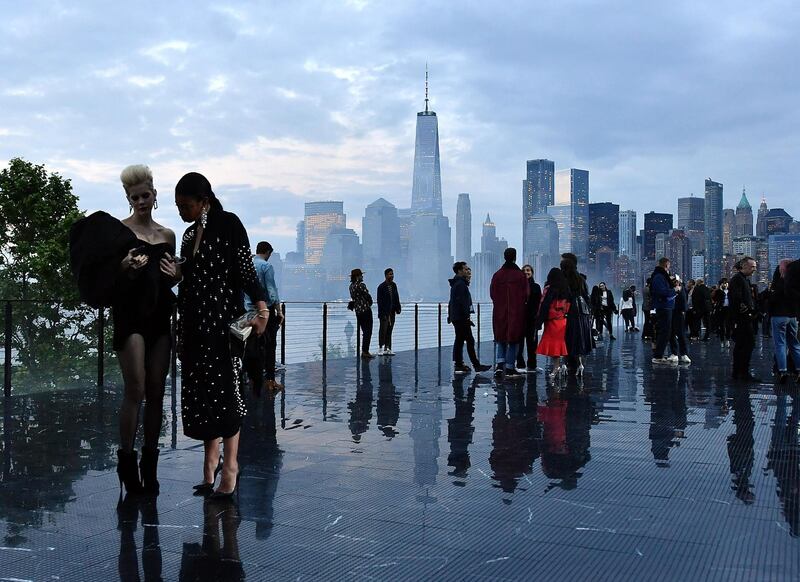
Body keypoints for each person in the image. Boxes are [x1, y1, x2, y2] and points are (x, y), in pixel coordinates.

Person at [167, 172, 268, 499]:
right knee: (202, 396)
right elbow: (188, 281)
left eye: (186, 205)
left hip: (225, 326)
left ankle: (231, 467)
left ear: (203, 201)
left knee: (225, 393)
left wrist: (262, 309)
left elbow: (245, 270)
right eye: (177, 206)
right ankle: (209, 466)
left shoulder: (228, 225)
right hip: (195, 326)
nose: (181, 211)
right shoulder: (187, 235)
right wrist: (177, 273)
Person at [110, 164, 177, 496]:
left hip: (160, 315)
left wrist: (178, 277)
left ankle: (150, 464)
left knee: (156, 391)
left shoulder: (167, 235)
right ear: (127, 198)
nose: (140, 200)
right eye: (134, 196)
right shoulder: (119, 233)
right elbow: (107, 281)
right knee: (135, 388)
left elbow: (171, 276)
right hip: (129, 316)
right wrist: (123, 269)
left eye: (145, 194)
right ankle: (126, 461)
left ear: (154, 194)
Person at [244, 241, 284, 394]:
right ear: (267, 252)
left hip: (248, 313)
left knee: (252, 345)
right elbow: (272, 292)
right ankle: (270, 381)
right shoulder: (266, 266)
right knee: (270, 346)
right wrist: (279, 311)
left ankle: (251, 378)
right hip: (265, 312)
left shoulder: (248, 265)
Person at [490, 248, 529, 378]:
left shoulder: (497, 275)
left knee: (500, 338)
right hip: (516, 312)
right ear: (515, 257)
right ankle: (510, 367)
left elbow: (492, 293)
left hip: (500, 311)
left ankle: (500, 365)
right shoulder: (520, 276)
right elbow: (526, 294)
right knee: (514, 339)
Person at [448, 262, 492, 374]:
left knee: (460, 340)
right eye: (466, 269)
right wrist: (466, 318)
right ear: (459, 271)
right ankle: (474, 365)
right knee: (468, 340)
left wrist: (451, 315)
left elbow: (452, 302)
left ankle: (459, 364)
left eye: (469, 269)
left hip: (457, 317)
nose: (469, 271)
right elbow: (461, 303)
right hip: (461, 318)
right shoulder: (460, 285)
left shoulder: (457, 284)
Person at [560, 253, 593, 376]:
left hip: (567, 311)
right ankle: (578, 363)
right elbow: (586, 297)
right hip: (581, 313)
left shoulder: (563, 279)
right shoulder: (580, 279)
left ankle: (566, 363)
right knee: (578, 337)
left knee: (566, 336)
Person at [536, 268, 571, 380]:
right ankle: (562, 365)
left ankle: (556, 368)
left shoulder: (548, 289)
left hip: (551, 320)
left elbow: (543, 304)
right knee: (560, 343)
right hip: (562, 320)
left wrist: (539, 320)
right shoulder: (565, 289)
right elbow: (569, 305)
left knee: (553, 345)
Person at [769, 259, 800, 384]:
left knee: (780, 344)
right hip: (792, 316)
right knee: (795, 344)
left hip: (778, 315)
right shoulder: (794, 282)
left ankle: (782, 371)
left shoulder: (779, 282)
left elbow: (773, 298)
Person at [729, 257, 758, 381]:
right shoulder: (738, 279)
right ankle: (742, 373)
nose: (754, 270)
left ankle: (739, 372)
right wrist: (746, 311)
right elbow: (737, 298)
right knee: (746, 344)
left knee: (743, 345)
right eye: (752, 267)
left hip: (743, 318)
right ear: (744, 266)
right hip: (742, 319)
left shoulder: (743, 279)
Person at [515, 264, 543, 372]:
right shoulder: (518, 286)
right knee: (520, 343)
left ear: (532, 272)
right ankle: (520, 365)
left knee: (532, 343)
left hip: (532, 319)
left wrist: (537, 317)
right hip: (520, 319)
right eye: (524, 270)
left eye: (528, 270)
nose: (526, 272)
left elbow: (539, 303)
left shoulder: (536, 286)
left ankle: (532, 365)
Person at [650, 257, 677, 364]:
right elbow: (662, 292)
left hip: (666, 306)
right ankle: (657, 356)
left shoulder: (660, 276)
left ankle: (659, 354)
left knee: (666, 331)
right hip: (664, 307)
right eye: (669, 265)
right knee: (664, 332)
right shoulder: (659, 277)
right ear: (666, 265)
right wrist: (674, 290)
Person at [349, 269, 374, 359]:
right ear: (357, 276)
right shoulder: (361, 285)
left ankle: (364, 351)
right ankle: (365, 351)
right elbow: (367, 295)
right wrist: (370, 301)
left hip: (358, 312)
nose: (362, 277)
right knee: (368, 331)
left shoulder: (351, 286)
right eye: (360, 275)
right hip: (365, 310)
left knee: (364, 331)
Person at [376, 268, 401, 356]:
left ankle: (388, 348)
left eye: (392, 274)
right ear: (386, 275)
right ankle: (380, 348)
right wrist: (382, 314)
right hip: (384, 313)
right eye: (390, 274)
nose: (392, 276)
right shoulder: (381, 287)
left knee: (390, 330)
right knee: (383, 330)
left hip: (392, 312)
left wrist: (398, 308)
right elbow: (380, 301)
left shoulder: (394, 285)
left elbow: (396, 297)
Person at [669, 274, 691, 364]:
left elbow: (684, 300)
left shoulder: (681, 289)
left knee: (681, 334)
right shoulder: (672, 289)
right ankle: (675, 353)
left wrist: (683, 310)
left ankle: (683, 354)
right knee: (671, 334)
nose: (675, 282)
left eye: (675, 281)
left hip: (678, 313)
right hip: (671, 312)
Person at [713, 278, 732, 346]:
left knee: (728, 325)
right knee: (721, 326)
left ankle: (727, 340)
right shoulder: (718, 291)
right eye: (723, 283)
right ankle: (722, 340)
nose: (725, 284)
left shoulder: (731, 291)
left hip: (729, 309)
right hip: (721, 309)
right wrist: (720, 290)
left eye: (726, 283)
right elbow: (714, 298)